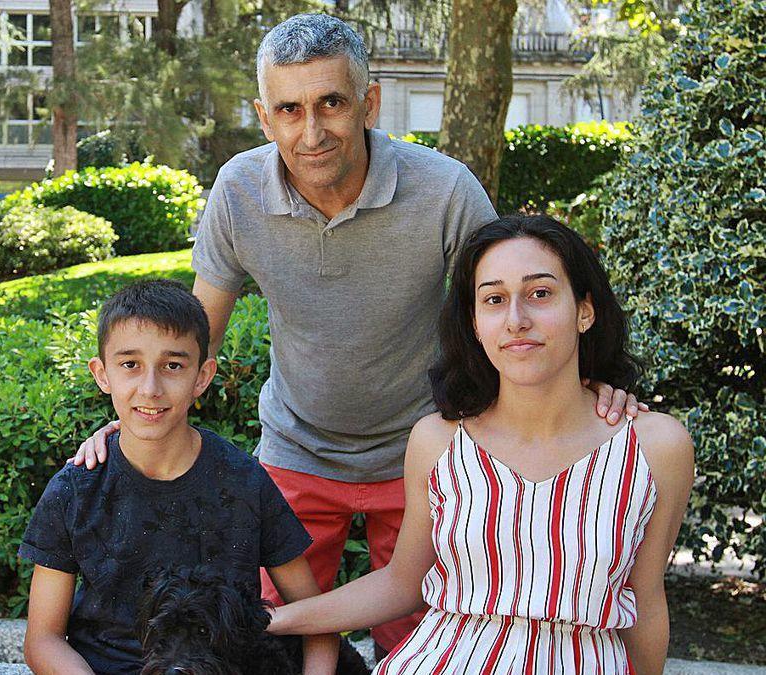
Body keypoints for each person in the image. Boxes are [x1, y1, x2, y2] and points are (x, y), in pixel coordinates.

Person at [73, 13, 644, 657]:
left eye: (332, 103)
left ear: (369, 103)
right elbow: (192, 337)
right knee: (262, 639)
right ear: (264, 117)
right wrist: (142, 412)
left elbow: (513, 300)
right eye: (289, 109)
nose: (311, 131)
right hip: (296, 448)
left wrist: (592, 383)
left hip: (430, 451)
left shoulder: (445, 190)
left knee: (425, 641)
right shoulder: (238, 191)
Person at [266, 215, 695, 674]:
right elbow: (400, 584)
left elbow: (645, 599)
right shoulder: (437, 441)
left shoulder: (656, 446)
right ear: (474, 322)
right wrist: (272, 620)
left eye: (540, 294)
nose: (516, 320)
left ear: (585, 311)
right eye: (494, 300)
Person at [21, 280, 341, 674]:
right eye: (130, 365)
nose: (150, 388)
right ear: (102, 375)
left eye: (173, 366)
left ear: (202, 377)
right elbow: (42, 639)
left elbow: (317, 621)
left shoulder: (244, 481)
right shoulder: (75, 491)